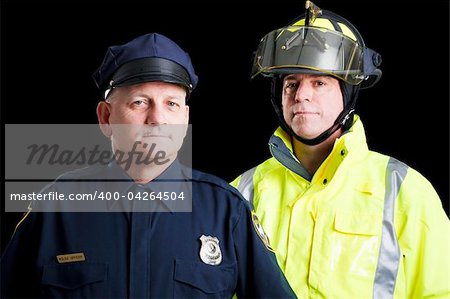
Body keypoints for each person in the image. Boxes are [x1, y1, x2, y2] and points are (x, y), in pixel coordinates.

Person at [1, 32, 296, 298]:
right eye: (140, 102)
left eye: (171, 104)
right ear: (105, 118)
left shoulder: (226, 211)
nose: (157, 119)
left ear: (184, 119)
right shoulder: (55, 210)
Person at [231, 1, 450, 298]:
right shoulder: (241, 193)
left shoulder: (404, 190)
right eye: (291, 84)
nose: (302, 95)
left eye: (319, 83)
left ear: (348, 94)